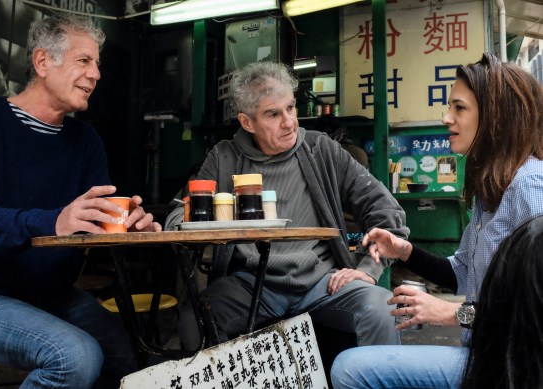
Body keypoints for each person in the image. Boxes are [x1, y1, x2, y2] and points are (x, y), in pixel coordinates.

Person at [0, 13, 161, 389]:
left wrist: (130, 226)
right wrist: (53, 220)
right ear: (42, 62)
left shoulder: (86, 141)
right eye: (84, 61)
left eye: (97, 64)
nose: (96, 74)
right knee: (76, 357)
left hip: (50, 295)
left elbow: (98, 223)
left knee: (139, 359)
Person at [331, 53, 543, 389]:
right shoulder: (492, 188)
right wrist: (404, 252)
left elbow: (534, 310)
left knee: (350, 368)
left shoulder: (529, 186)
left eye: (459, 108)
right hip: (484, 355)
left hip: (515, 368)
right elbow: (460, 273)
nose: (446, 117)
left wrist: (453, 314)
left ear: (496, 118)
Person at [165, 61, 409, 350]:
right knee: (195, 318)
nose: (289, 121)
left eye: (291, 108)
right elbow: (182, 211)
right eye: (273, 113)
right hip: (251, 283)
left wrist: (368, 268)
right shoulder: (224, 158)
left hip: (322, 281)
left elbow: (385, 209)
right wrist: (181, 223)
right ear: (247, 122)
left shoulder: (321, 149)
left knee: (381, 309)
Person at [461, 214, 543, 388]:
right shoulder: (480, 211)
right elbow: (460, 272)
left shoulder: (525, 190)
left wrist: (460, 314)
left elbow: (516, 319)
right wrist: (409, 254)